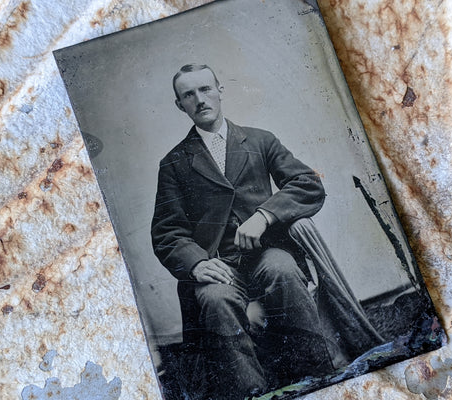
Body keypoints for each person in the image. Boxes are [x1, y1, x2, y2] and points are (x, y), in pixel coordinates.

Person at [151, 64, 376, 399]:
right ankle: (252, 392)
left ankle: (318, 379)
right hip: (220, 266)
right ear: (179, 104)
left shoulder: (260, 140)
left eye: (205, 89)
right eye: (189, 94)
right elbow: (167, 231)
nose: (200, 99)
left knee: (283, 270)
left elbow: (308, 184)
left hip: (267, 252)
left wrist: (265, 215)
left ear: (220, 90)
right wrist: (197, 263)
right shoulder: (173, 163)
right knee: (213, 298)